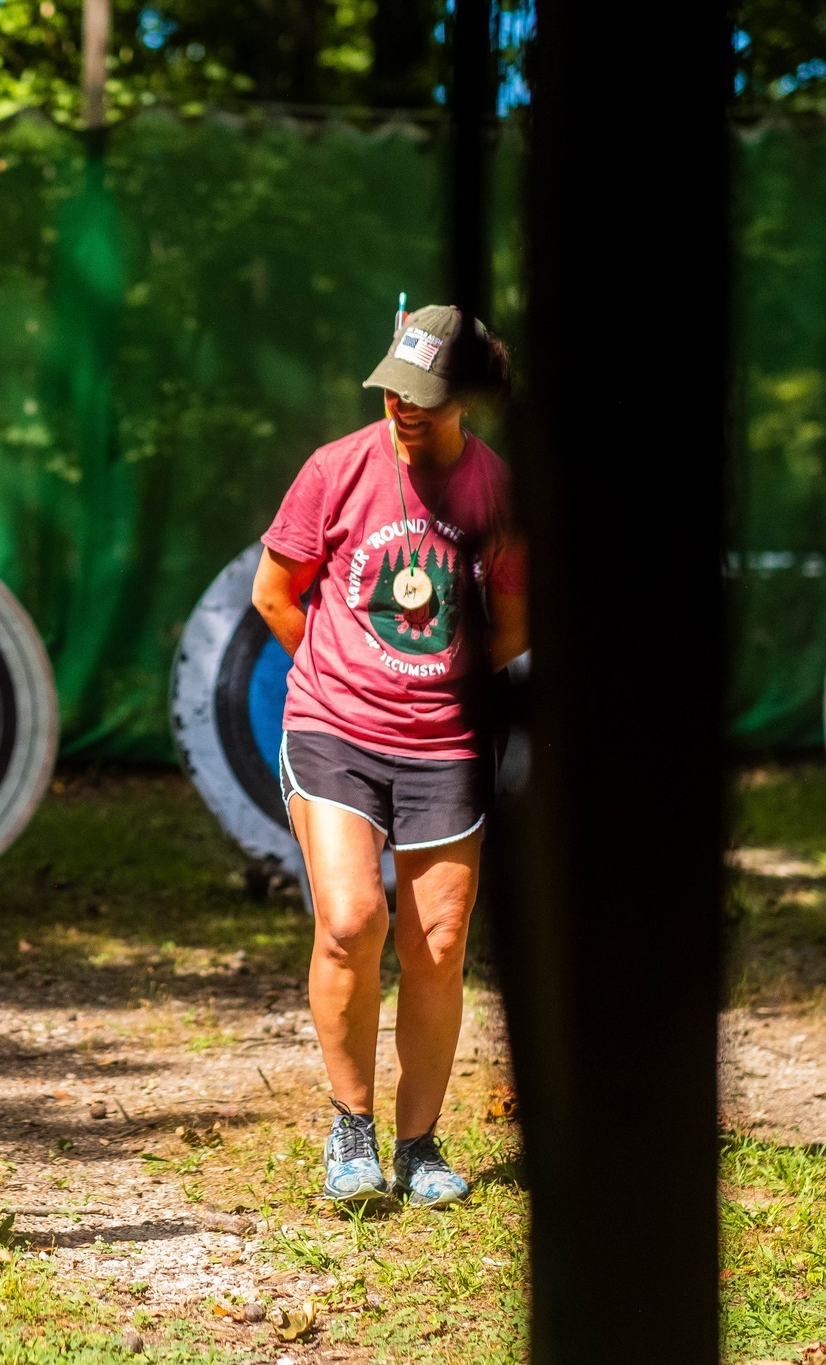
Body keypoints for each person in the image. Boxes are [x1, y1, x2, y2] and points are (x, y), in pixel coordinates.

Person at [250, 305, 527, 1207]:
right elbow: (274, 593)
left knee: (438, 942)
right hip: (334, 729)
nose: (403, 407)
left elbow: (516, 622)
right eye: (394, 389)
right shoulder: (336, 468)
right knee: (350, 921)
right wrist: (343, 677)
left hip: (445, 748)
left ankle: (418, 1146)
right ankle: (350, 1130)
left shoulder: (497, 491)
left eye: (425, 395)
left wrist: (442, 687)